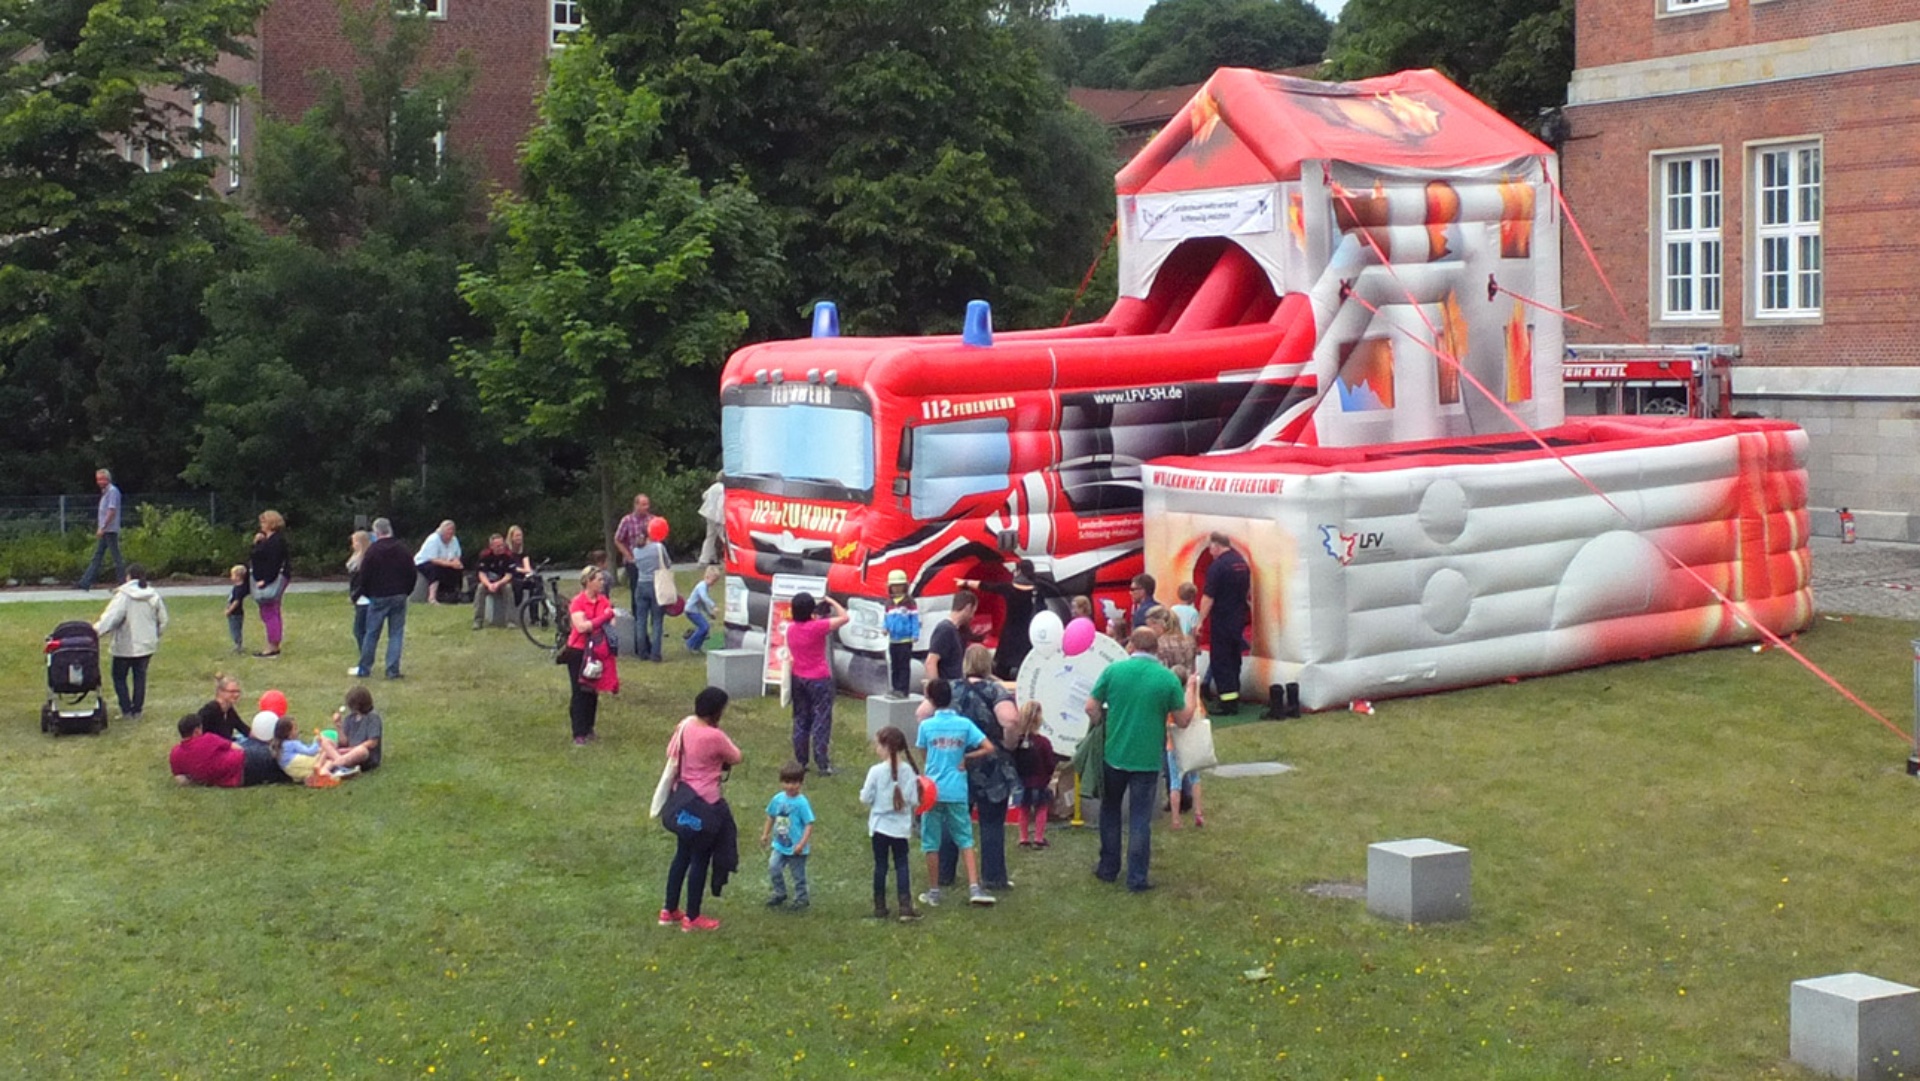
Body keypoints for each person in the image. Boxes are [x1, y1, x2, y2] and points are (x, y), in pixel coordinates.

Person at [1087, 627, 1198, 893]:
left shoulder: (1113, 671)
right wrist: (1192, 690)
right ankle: (1137, 878)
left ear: (1131, 646)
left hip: (1114, 753)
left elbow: (1090, 706)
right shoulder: (1166, 678)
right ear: (1156, 649)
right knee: (1140, 818)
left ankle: (1108, 868)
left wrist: (1102, 723)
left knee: (1110, 809)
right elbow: (1183, 720)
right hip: (1147, 759)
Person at [926, 645, 1019, 893]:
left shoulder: (951, 689)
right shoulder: (995, 690)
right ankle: (993, 878)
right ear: (988, 664)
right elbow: (1010, 719)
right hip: (989, 765)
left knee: (951, 817)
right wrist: (1009, 743)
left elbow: (922, 713)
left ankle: (944, 873)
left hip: (955, 762)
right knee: (991, 821)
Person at [660, 686, 743, 933]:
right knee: (700, 859)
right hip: (707, 803)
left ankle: (669, 909)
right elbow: (736, 756)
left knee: (682, 855)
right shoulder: (714, 736)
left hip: (684, 798)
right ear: (716, 711)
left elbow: (671, 752)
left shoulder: (685, 725)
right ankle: (693, 916)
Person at [913, 678, 997, 908]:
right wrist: (966, 757)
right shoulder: (964, 724)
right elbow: (988, 747)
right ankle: (974, 887)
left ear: (931, 699)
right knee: (965, 839)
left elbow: (923, 753)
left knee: (931, 841)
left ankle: (934, 891)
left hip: (932, 790)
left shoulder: (926, 726)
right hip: (957, 789)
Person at [859, 726, 924, 921]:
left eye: (878, 745)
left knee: (881, 865)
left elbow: (866, 797)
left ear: (887, 747)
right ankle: (905, 906)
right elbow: (913, 799)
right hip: (900, 828)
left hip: (879, 826)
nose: (876, 748)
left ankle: (880, 906)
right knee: (902, 864)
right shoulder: (909, 772)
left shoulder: (876, 771)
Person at [93, 562, 168, 721]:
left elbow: (112, 618)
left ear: (128, 577)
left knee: (119, 677)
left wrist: (95, 631)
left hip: (125, 645)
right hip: (147, 645)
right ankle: (137, 710)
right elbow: (163, 620)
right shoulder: (153, 595)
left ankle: (126, 709)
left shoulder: (124, 596)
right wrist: (155, 636)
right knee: (140, 677)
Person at [785, 591, 849, 774]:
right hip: (819, 678)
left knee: (801, 719)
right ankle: (822, 763)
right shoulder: (817, 627)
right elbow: (844, 617)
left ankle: (801, 761)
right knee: (821, 719)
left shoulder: (790, 629)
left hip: (798, 677)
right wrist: (830, 600)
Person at [964, 560, 1047, 681]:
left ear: (1019, 571)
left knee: (1001, 669)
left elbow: (987, 586)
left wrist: (965, 582)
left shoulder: (1009, 588)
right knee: (1026, 669)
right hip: (1027, 636)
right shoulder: (1037, 590)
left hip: (1009, 635)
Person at [1198, 531, 1252, 715]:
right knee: (1234, 658)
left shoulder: (1217, 567)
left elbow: (1208, 597)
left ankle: (1227, 703)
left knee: (1221, 660)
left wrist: (1200, 620)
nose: (1209, 551)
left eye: (1210, 547)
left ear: (1216, 546)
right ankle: (1234, 695)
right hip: (1238, 619)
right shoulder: (1241, 563)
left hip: (1222, 619)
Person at [352, 518, 413, 680]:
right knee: (396, 633)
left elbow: (364, 576)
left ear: (376, 532)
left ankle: (365, 668)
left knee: (371, 633)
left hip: (378, 596)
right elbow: (411, 572)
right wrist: (406, 590)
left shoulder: (373, 551)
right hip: (399, 595)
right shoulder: (402, 549)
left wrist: (367, 593)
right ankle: (392, 670)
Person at [564, 565, 618, 745]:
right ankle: (578, 732)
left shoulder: (603, 600)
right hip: (578, 650)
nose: (602, 583)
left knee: (593, 690)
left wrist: (599, 620)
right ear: (588, 582)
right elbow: (581, 627)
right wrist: (603, 618)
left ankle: (589, 727)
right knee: (579, 690)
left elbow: (612, 623)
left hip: (597, 650)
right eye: (599, 580)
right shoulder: (578, 602)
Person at [761, 761, 815, 911]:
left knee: (798, 874)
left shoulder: (801, 803)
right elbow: (771, 816)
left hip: (796, 848)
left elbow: (809, 824)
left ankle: (801, 898)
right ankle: (780, 892)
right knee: (774, 867)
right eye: (787, 782)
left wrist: (801, 844)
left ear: (801, 783)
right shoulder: (778, 799)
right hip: (779, 844)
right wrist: (765, 834)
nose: (790, 786)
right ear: (781, 782)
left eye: (794, 783)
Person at [1011, 700, 1059, 849]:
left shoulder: (1017, 742)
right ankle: (1038, 838)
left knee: (1024, 809)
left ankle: (1023, 838)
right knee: (1041, 808)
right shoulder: (1043, 742)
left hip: (1022, 782)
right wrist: (1049, 775)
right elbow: (1050, 763)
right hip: (1040, 781)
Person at [1167, 663, 1206, 830]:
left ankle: (1176, 819)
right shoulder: (1193, 699)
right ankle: (1198, 813)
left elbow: (1167, 722)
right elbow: (1202, 714)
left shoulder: (1171, 700)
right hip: (1192, 744)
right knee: (1195, 778)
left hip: (1173, 745)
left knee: (1175, 782)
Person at [628, 517, 670, 662]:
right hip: (656, 584)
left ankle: (642, 652)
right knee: (657, 620)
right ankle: (655, 653)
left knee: (641, 620)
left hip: (641, 584)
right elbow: (667, 563)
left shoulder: (636, 551)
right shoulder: (658, 547)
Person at [76, 468, 126, 591]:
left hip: (110, 529)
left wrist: (102, 527)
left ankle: (123, 583)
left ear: (108, 479)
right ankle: (85, 582)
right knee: (98, 556)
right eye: (98, 479)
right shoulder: (105, 492)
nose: (100, 482)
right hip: (106, 530)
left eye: (102, 479)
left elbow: (111, 511)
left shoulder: (112, 491)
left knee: (116, 556)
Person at [249, 510, 290, 658]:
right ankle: (273, 643)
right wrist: (257, 543)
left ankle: (273, 646)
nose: (261, 524)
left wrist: (266, 580)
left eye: (264, 522)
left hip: (271, 578)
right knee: (270, 611)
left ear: (272, 523)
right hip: (264, 577)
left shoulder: (276, 541)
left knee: (270, 611)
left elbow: (274, 563)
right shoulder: (267, 540)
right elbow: (256, 556)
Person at [318, 685, 384, 773]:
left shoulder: (372, 717)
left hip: (364, 756)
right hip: (348, 753)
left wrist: (352, 749)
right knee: (325, 741)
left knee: (361, 751)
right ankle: (330, 767)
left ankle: (334, 764)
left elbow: (372, 742)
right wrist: (338, 726)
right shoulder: (350, 718)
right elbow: (344, 742)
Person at [170, 714, 247, 787]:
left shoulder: (175, 754)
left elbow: (180, 779)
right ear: (196, 731)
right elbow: (238, 748)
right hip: (243, 763)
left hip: (233, 779)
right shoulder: (208, 739)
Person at [613, 493, 654, 616]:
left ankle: (654, 620)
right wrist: (629, 557)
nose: (646, 507)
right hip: (634, 563)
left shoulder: (652, 520)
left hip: (650, 563)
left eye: (647, 504)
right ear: (636, 505)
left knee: (653, 592)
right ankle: (637, 622)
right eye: (643, 504)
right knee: (636, 592)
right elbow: (618, 539)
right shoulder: (627, 521)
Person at [924, 588, 974, 687]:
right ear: (968, 608)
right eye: (973, 611)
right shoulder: (945, 629)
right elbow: (931, 662)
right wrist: (937, 690)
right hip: (948, 689)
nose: (972, 616)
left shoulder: (956, 631)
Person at [272, 715, 343, 783]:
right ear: (288, 733)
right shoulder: (293, 743)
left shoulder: (280, 746)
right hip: (299, 763)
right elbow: (310, 751)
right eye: (295, 729)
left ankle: (314, 776)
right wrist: (317, 742)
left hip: (292, 771)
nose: (298, 731)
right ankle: (323, 770)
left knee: (324, 753)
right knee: (327, 754)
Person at [882, 570, 920, 695]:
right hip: (893, 640)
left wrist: (915, 634)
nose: (897, 589)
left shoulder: (909, 602)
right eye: (894, 586)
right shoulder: (889, 603)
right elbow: (886, 618)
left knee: (904, 665)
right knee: (895, 665)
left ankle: (903, 689)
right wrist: (885, 628)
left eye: (900, 586)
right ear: (890, 587)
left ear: (905, 586)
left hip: (905, 640)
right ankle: (895, 688)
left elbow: (914, 619)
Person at [471, 533, 516, 630]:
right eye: (498, 546)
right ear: (491, 546)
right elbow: (481, 573)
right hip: (489, 582)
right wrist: (489, 584)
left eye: (502, 545)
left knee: (508, 588)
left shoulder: (508, 555)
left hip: (503, 582)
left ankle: (510, 621)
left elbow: (509, 575)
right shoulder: (485, 555)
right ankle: (478, 620)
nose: (501, 548)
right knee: (480, 588)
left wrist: (498, 584)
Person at [413, 520, 464, 605]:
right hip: (424, 562)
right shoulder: (433, 539)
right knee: (435, 570)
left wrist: (457, 563)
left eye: (452, 531)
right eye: (448, 532)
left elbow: (456, 555)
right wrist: (451, 564)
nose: (450, 534)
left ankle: (453, 595)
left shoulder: (454, 540)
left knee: (457, 570)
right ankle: (432, 597)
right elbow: (433, 559)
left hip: (445, 561)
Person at [196, 674, 246, 741]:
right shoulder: (210, 711)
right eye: (232, 691)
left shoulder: (229, 711)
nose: (236, 695)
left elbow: (244, 729)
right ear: (221, 692)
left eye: (238, 691)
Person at [345, 530, 371, 651]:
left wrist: (354, 596)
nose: (353, 545)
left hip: (364, 599)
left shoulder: (364, 561)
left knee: (359, 630)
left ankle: (365, 655)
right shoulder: (356, 558)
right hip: (359, 598)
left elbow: (363, 583)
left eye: (355, 542)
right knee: (360, 630)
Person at [683, 566, 719, 653]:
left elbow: (702, 604)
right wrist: (713, 606)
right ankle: (690, 644)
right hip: (691, 610)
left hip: (694, 611)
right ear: (707, 577)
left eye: (715, 581)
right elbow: (704, 598)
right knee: (704, 627)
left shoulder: (704, 587)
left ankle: (697, 646)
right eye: (713, 581)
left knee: (705, 627)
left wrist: (709, 613)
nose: (713, 583)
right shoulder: (701, 586)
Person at [698, 474, 726, 566]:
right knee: (725, 538)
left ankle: (704, 559)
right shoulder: (723, 489)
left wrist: (710, 503)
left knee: (710, 537)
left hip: (709, 514)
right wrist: (719, 519)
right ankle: (731, 557)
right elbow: (720, 505)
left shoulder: (713, 487)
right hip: (717, 517)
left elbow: (704, 496)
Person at [224, 564, 248, 654]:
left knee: (235, 629)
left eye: (232, 575)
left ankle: (238, 646)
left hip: (235, 613)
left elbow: (236, 602)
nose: (231, 577)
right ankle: (237, 644)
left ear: (238, 577)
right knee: (234, 628)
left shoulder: (239, 589)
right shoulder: (237, 587)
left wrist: (229, 610)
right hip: (234, 613)